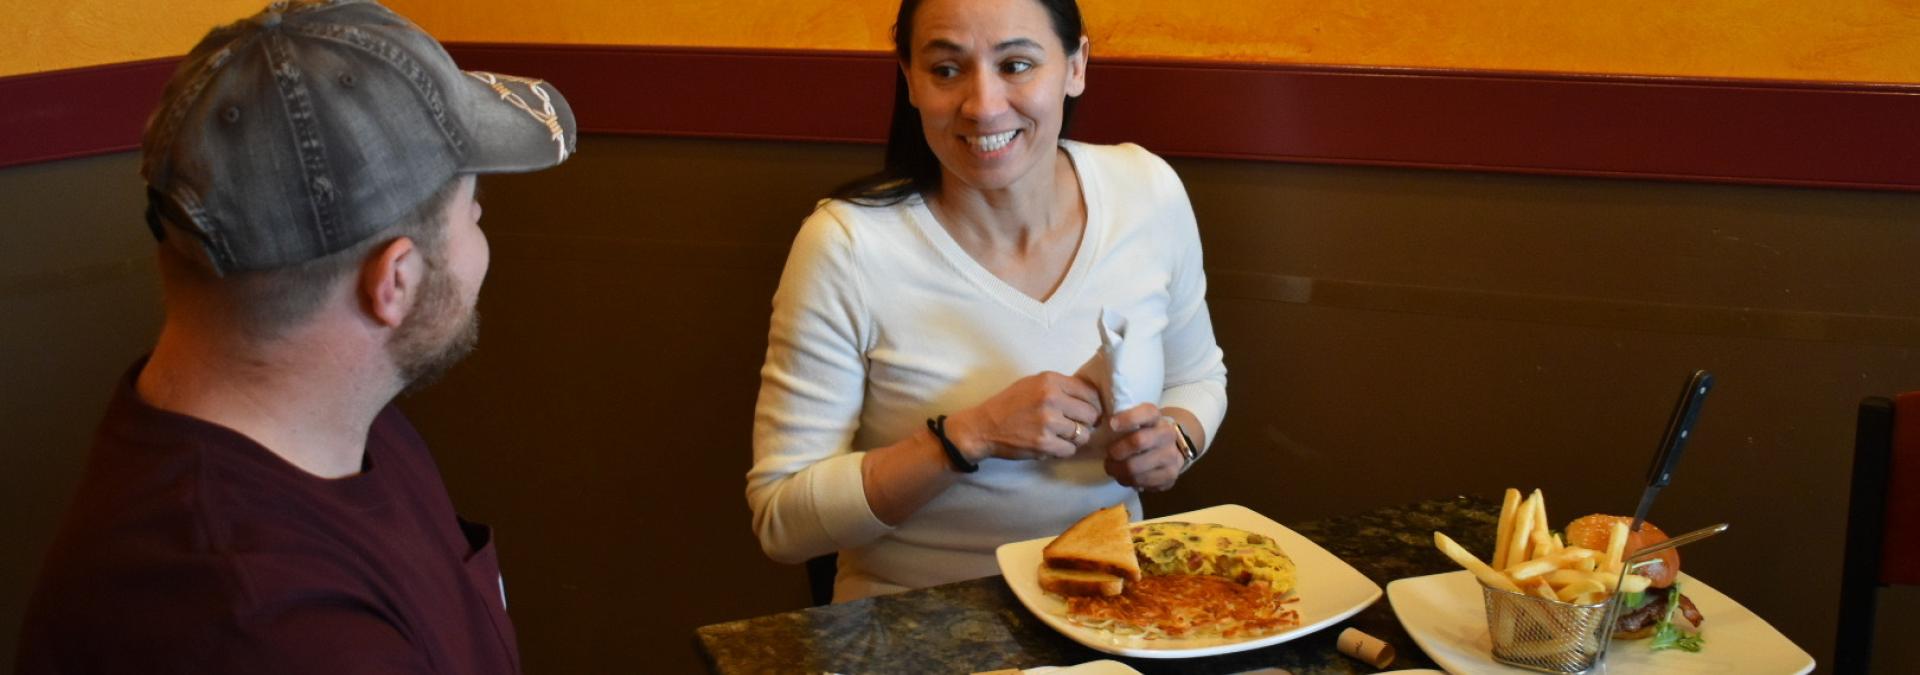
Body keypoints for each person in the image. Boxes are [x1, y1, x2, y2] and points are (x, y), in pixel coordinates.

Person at [14, 1, 576, 672]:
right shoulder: (258, 627)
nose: (482, 218)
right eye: (469, 209)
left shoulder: (335, 424)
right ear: (392, 281)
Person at [747, 0, 1227, 602]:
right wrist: (964, 438)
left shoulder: (1146, 190)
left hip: (1114, 609)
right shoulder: (846, 245)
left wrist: (1176, 440)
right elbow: (781, 521)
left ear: (1076, 66)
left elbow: (1198, 377)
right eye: (947, 71)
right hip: (913, 621)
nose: (983, 105)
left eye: (1017, 64)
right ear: (910, 79)